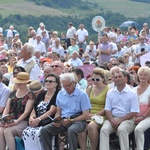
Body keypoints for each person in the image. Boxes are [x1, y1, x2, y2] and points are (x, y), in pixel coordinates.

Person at [40, 73, 92, 150]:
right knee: (44, 130)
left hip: (78, 119)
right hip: (63, 119)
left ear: (74, 83)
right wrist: (57, 120)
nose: (66, 87)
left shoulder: (82, 94)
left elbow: (86, 115)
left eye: (68, 85)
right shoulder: (61, 93)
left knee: (71, 130)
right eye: (64, 85)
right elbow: (58, 111)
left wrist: (71, 120)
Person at [100, 70, 139, 150]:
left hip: (127, 119)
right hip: (113, 118)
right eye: (116, 77)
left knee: (122, 130)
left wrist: (120, 120)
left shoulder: (132, 93)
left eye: (120, 76)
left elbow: (134, 112)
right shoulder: (110, 92)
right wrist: (112, 120)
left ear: (126, 78)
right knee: (104, 130)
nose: (118, 79)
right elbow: (107, 110)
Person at [22, 74, 61, 150]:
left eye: (50, 81)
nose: (47, 82)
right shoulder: (41, 94)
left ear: (56, 84)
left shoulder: (58, 94)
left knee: (38, 133)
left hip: (48, 120)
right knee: (26, 132)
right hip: (37, 121)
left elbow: (52, 111)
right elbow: (34, 109)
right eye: (46, 81)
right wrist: (31, 118)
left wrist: (38, 119)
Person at [0, 72, 36, 150]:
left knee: (8, 131)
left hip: (22, 121)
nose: (19, 84)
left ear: (26, 82)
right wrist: (3, 120)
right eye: (17, 82)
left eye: (21, 83)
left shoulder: (30, 95)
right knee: (0, 130)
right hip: (10, 119)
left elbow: (26, 112)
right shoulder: (13, 93)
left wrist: (16, 122)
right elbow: (7, 108)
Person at [78, 68, 109, 150]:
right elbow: (84, 104)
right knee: (80, 125)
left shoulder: (108, 90)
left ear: (103, 78)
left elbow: (107, 107)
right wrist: (87, 113)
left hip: (102, 115)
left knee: (91, 126)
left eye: (97, 79)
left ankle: (93, 148)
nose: (95, 81)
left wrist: (95, 115)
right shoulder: (89, 88)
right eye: (93, 79)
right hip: (88, 114)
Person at [133, 66, 150, 150]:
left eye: (145, 75)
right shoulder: (133, 89)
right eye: (141, 75)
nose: (142, 77)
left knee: (138, 129)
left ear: (149, 77)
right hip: (133, 116)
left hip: (147, 116)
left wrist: (142, 117)